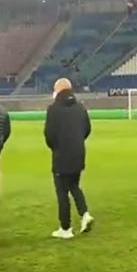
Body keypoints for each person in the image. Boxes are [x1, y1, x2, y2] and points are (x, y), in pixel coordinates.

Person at [45, 78, 94, 239]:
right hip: (78, 153)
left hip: (61, 155)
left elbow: (49, 135)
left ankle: (65, 228)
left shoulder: (53, 109)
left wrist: (56, 147)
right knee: (74, 186)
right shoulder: (80, 107)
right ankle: (85, 214)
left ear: (57, 90)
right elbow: (87, 129)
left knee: (62, 192)